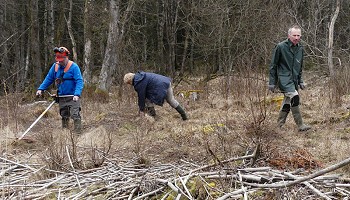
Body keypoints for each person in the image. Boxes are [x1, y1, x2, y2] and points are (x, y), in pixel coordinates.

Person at [268, 25, 311, 132]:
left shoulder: (300, 48)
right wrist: (272, 82)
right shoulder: (280, 47)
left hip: (294, 80)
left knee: (287, 101)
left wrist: (300, 81)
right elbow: (273, 65)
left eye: (298, 35)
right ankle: (300, 125)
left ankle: (279, 125)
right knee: (294, 97)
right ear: (289, 35)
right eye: (294, 35)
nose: (296, 38)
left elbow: (300, 67)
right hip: (283, 80)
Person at [36, 47, 84, 134]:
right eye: (58, 60)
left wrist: (77, 94)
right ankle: (65, 134)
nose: (60, 61)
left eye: (62, 59)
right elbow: (49, 78)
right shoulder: (55, 67)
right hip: (62, 96)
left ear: (66, 57)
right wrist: (41, 89)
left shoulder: (74, 67)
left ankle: (78, 134)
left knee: (75, 114)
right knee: (64, 115)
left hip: (73, 97)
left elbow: (79, 81)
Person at [124, 71, 188, 120]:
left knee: (147, 100)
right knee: (171, 100)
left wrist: (141, 110)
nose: (130, 85)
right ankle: (184, 116)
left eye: (128, 83)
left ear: (130, 81)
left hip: (161, 86)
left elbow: (141, 97)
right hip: (166, 81)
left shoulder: (138, 82)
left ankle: (153, 116)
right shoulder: (141, 76)